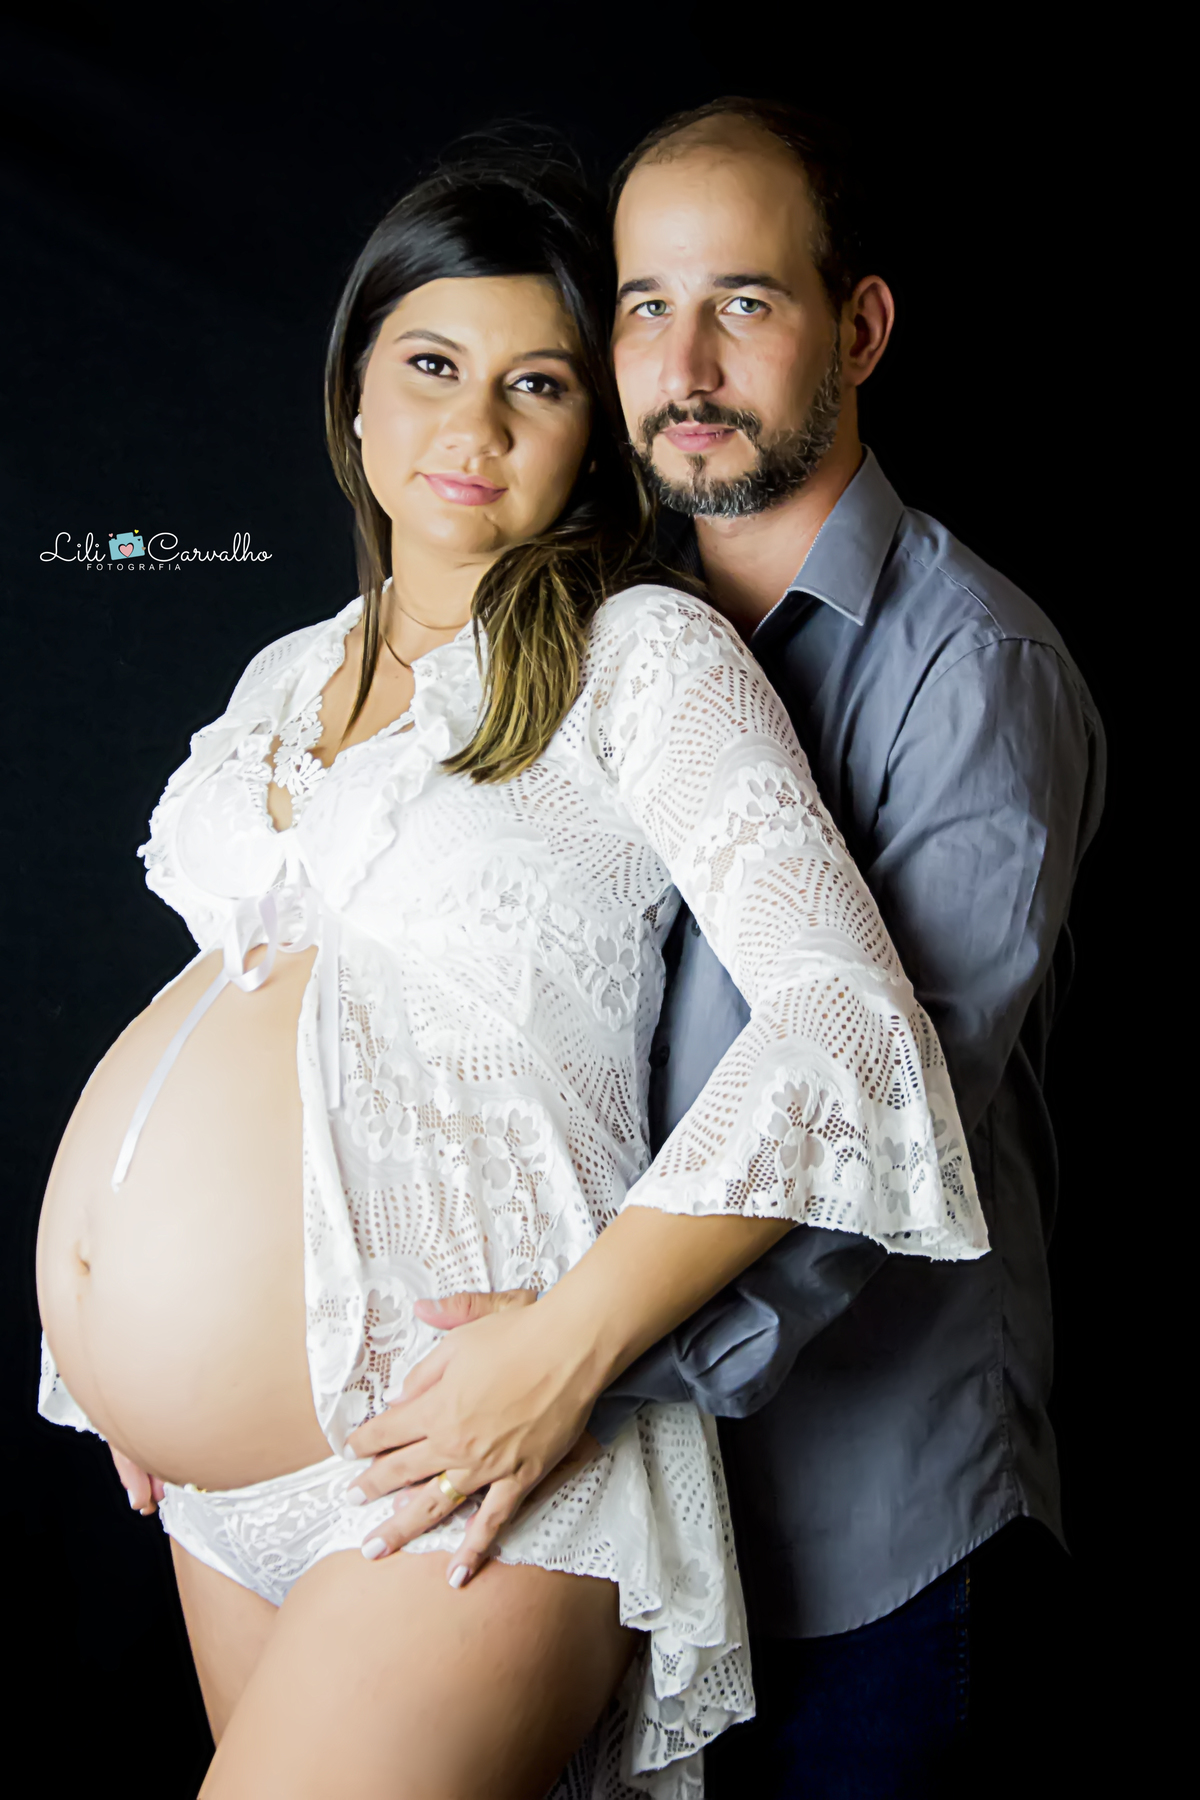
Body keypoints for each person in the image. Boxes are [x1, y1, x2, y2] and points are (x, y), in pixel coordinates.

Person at [34, 140, 985, 1800]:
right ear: (351, 396)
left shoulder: (642, 655)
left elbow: (847, 1021)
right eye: (430, 368)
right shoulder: (288, 670)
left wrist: (565, 1352)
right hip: (207, 1493)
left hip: (470, 1460)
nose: (471, 431)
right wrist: (127, 1366)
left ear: (592, 431)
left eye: (536, 384)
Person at [343, 102, 1105, 1795]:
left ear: (860, 329)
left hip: (873, 1542)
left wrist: (584, 1368)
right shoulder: (595, 626)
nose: (682, 362)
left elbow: (907, 1127)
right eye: (639, 305)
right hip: (610, 1526)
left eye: (745, 304)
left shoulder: (971, 671)